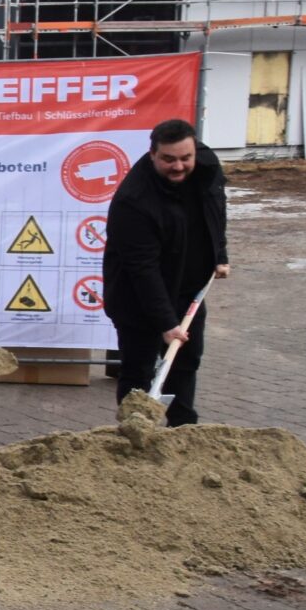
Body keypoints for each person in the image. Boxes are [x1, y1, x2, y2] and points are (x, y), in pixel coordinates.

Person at [102, 118, 231, 426]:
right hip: (136, 297)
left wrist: (219, 253)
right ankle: (135, 433)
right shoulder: (133, 201)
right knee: (138, 370)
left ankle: (183, 430)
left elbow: (215, 206)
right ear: (152, 155)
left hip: (189, 292)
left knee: (185, 364)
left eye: (186, 158)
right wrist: (165, 323)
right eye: (169, 159)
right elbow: (141, 268)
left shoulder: (207, 165)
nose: (179, 166)